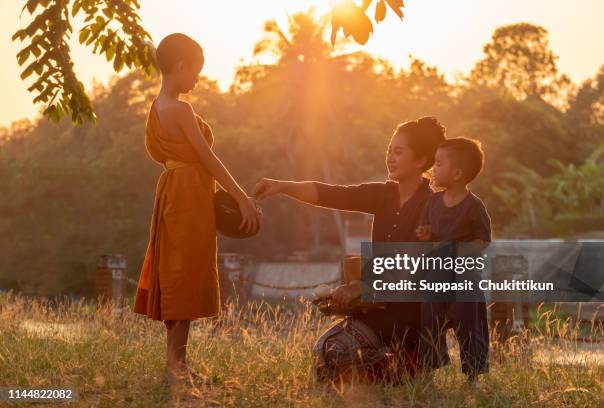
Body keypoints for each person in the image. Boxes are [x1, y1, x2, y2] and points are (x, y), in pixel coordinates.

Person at [253, 117, 446, 383]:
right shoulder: (383, 194)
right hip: (379, 308)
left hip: (414, 314)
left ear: (420, 160)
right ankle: (393, 370)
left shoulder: (434, 207)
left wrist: (363, 287)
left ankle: (410, 366)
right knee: (327, 350)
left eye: (398, 152)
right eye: (389, 150)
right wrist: (282, 186)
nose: (390, 157)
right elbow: (333, 194)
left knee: (338, 353)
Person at [132, 33, 261, 384]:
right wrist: (241, 196)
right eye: (196, 72)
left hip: (175, 192)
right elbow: (209, 158)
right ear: (180, 66)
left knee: (177, 272)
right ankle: (177, 367)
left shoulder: (156, 107)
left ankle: (176, 363)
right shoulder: (180, 109)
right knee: (185, 274)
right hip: (188, 195)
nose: (197, 80)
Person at [415, 137, 491, 384]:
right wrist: (426, 235)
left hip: (464, 275)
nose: (433, 169)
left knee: (469, 321)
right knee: (429, 318)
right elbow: (428, 232)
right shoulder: (433, 201)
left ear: (457, 173)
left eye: (438, 164)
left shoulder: (474, 206)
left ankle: (473, 375)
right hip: (437, 271)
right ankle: (429, 368)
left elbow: (483, 239)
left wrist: (461, 252)